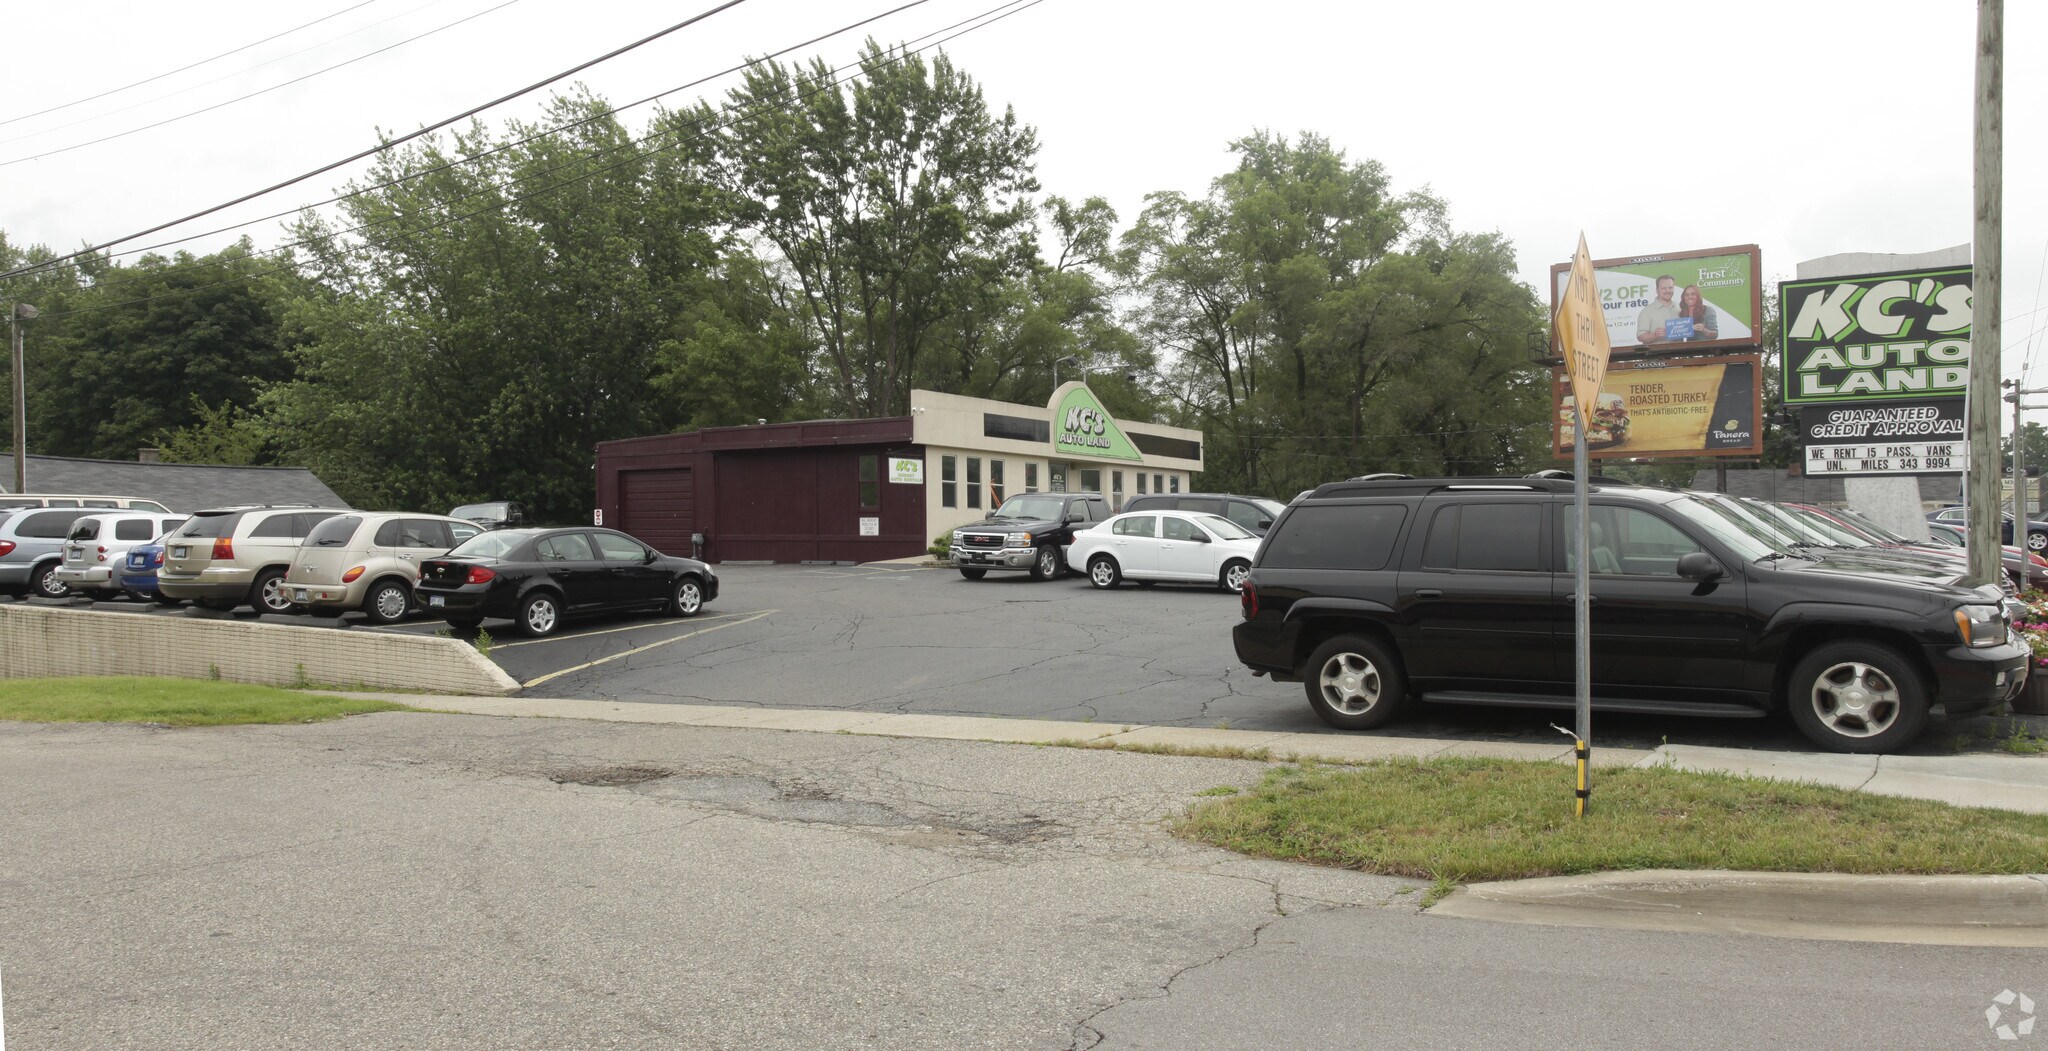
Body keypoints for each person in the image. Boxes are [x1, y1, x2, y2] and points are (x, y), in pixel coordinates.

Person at [1635, 275, 1681, 345]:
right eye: (1663, 288)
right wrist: (1654, 335)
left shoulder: (1679, 307)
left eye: (1670, 287)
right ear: (1657, 290)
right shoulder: (1647, 311)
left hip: (1679, 353)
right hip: (1657, 354)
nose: (1667, 291)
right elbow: (1640, 336)